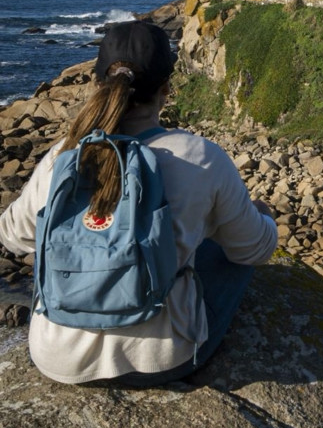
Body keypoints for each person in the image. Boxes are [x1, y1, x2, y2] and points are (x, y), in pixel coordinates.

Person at [0, 20, 277, 385]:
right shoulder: (201, 157)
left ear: (97, 83)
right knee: (224, 250)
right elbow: (252, 251)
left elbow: (12, 235)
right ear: (166, 90)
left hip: (58, 359)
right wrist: (263, 219)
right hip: (163, 357)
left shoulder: (63, 156)